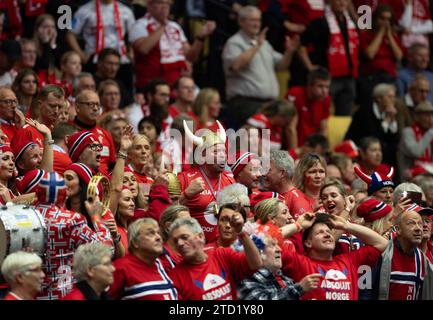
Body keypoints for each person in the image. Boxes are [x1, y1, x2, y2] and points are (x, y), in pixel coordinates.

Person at [16, 170, 112, 300]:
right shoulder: (71, 220)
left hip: (30, 295)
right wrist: (96, 218)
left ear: (38, 193)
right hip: (64, 295)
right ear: (65, 196)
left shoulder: (23, 218)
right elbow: (105, 248)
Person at [281, 212, 388, 300]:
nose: (327, 234)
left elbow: (383, 244)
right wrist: (298, 225)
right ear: (308, 243)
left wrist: (347, 226)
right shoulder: (299, 262)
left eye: (329, 232)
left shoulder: (349, 261)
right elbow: (266, 241)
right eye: (320, 232)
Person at [222, 5, 297, 129]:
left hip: (268, 103)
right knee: (256, 141)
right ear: (241, 22)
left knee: (289, 116)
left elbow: (281, 65)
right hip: (246, 103)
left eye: (259, 20)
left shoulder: (264, 43)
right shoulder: (234, 43)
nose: (257, 24)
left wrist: (289, 52)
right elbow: (236, 65)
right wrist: (256, 46)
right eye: (252, 20)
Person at [168, 216, 262, 300]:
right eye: (176, 241)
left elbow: (256, 264)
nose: (180, 243)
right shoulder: (175, 277)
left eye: (184, 237)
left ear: (200, 236)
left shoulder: (221, 254)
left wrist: (241, 233)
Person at [130, 0, 216, 89]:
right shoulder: (140, 25)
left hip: (177, 85)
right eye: (160, 3)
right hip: (152, 86)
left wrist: (201, 37)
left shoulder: (175, 27)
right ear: (149, 5)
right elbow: (143, 49)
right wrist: (163, 25)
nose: (165, 6)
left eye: (167, 3)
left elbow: (190, 57)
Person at [298, 0, 359, 116]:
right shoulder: (320, 22)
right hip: (327, 78)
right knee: (324, 114)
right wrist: (310, 67)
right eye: (338, 0)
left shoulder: (351, 23)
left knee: (345, 116)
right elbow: (301, 46)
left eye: (345, 0)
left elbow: (363, 33)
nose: (342, 3)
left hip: (349, 77)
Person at [178, 120, 235, 242]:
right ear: (201, 156)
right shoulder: (184, 178)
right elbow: (167, 214)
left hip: (222, 247)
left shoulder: (230, 181)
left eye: (223, 151)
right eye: (215, 152)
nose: (222, 156)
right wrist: (186, 195)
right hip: (192, 244)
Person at [237, 223, 321, 300]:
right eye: (273, 245)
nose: (279, 250)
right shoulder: (247, 278)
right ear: (257, 250)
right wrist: (299, 288)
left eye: (279, 245)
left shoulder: (286, 280)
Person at [108, 218, 178, 300]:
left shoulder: (161, 263)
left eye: (158, 233)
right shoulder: (121, 268)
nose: (158, 237)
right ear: (135, 242)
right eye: (151, 233)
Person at [345, 83, 409, 167]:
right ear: (379, 99)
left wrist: (392, 121)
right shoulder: (365, 112)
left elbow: (395, 141)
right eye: (390, 97)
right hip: (362, 151)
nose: (393, 100)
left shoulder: (391, 112)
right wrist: (386, 123)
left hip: (381, 153)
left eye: (394, 96)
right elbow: (373, 139)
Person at [377, 209, 433, 300]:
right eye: (411, 223)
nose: (418, 228)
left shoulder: (423, 260)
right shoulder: (384, 253)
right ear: (398, 229)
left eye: (420, 224)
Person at [66, 0, 135, 69]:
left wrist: (131, 51)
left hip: (121, 60)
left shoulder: (126, 11)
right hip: (94, 59)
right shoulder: (84, 10)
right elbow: (70, 34)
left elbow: (133, 34)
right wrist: (81, 55)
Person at [358, 4, 403, 105]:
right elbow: (370, 54)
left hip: (390, 78)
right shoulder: (366, 35)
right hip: (372, 78)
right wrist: (381, 33)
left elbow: (399, 56)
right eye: (382, 18)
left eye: (388, 19)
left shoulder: (393, 37)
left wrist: (389, 36)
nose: (385, 23)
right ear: (375, 19)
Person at [71, 89, 116, 175]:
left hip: (104, 183)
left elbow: (112, 166)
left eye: (97, 105)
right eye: (90, 104)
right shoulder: (68, 131)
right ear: (77, 107)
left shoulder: (105, 134)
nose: (95, 108)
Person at [285, 67, 331, 146]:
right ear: (309, 85)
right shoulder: (295, 94)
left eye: (327, 87)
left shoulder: (326, 100)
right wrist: (294, 153)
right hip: (289, 146)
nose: (324, 91)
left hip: (309, 148)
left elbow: (323, 129)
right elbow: (290, 128)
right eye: (320, 86)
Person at [399, 101, 433, 180]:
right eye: (427, 115)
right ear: (417, 117)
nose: (431, 119)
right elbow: (415, 152)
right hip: (411, 176)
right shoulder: (408, 132)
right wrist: (430, 132)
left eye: (432, 115)